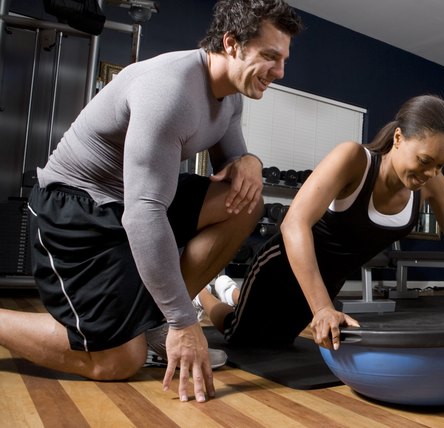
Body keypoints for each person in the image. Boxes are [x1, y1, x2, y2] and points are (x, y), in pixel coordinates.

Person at [0, 0, 303, 403]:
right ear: (231, 44)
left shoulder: (231, 97)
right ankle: (167, 323)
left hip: (134, 203)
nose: (279, 72)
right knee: (118, 362)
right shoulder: (171, 89)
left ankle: (156, 325)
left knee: (244, 201)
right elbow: (144, 214)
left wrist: (250, 160)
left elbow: (232, 165)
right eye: (270, 56)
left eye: (283, 59)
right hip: (76, 209)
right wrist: (185, 320)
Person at [194, 94, 444, 351]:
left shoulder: (432, 185)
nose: (432, 173)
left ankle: (232, 292)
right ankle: (205, 294)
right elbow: (293, 224)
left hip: (328, 280)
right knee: (241, 338)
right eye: (425, 160)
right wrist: (321, 308)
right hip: (283, 264)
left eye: (441, 166)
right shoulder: (354, 159)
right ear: (399, 138)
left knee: (279, 341)